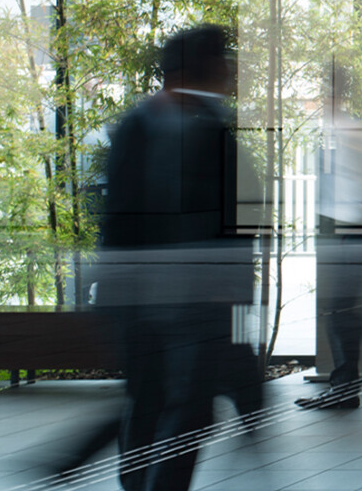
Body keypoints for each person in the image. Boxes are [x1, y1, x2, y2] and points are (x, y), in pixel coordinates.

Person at [94, 24, 260, 491]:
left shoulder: (137, 122)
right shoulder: (204, 125)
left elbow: (116, 216)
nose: (231, 68)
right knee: (186, 409)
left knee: (147, 400)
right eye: (225, 58)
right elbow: (236, 215)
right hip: (189, 300)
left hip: (139, 298)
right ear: (203, 68)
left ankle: (137, 483)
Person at [299, 63, 362, 410]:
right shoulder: (339, 127)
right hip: (345, 229)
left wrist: (350, 227)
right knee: (341, 310)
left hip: (352, 230)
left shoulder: (348, 128)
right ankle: (345, 384)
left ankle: (347, 386)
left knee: (339, 311)